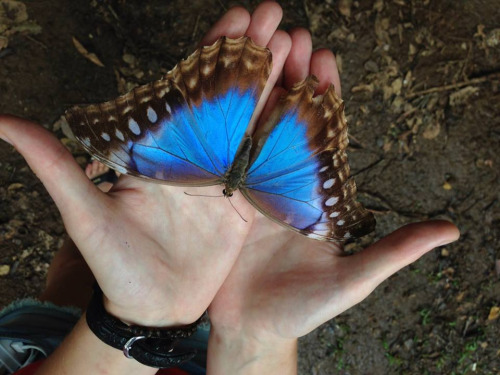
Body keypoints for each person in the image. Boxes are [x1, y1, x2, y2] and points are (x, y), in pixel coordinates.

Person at [0, 2, 459, 374]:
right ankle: (120, 177)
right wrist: (254, 343)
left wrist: (134, 324)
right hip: (211, 344)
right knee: (87, 260)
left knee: (76, 277)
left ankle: (123, 176)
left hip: (73, 353)